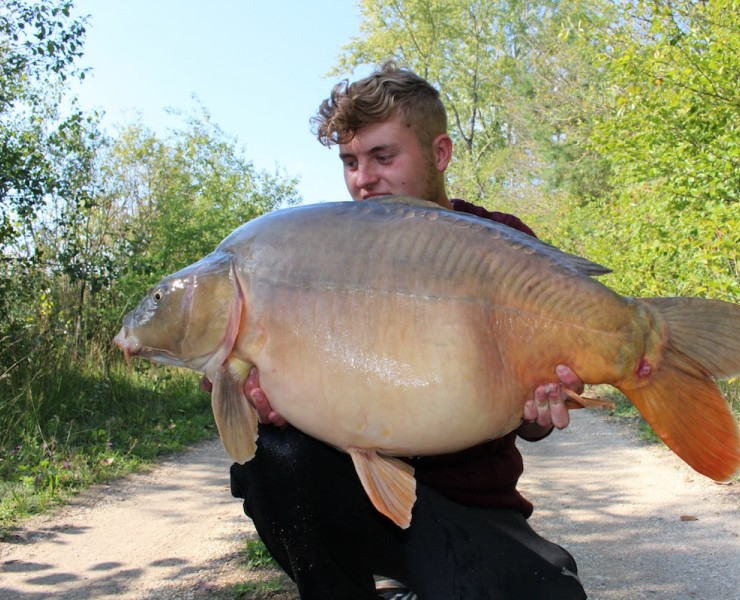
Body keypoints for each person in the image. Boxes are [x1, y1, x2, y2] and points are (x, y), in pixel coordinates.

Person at [227, 62, 588, 600]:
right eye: (350, 161)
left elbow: (535, 424)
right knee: (271, 455)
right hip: (352, 496)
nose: (362, 178)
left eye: (382, 156)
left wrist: (541, 407)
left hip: (471, 509)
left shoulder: (501, 242)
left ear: (439, 154)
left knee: (549, 595)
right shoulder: (317, 255)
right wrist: (259, 392)